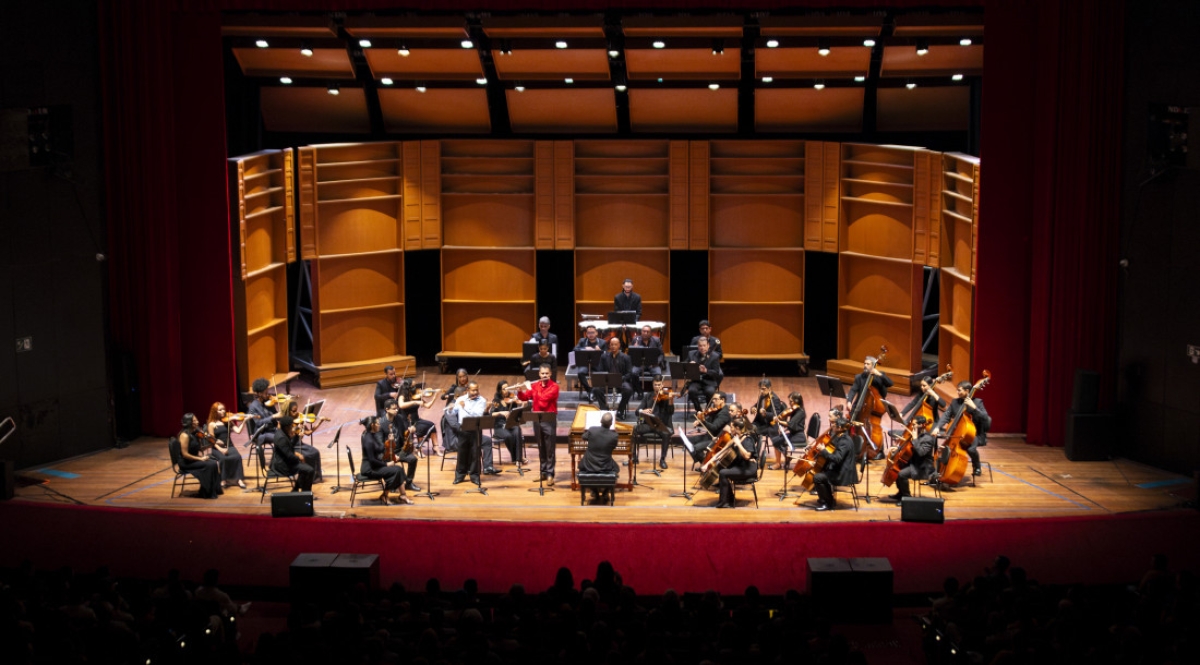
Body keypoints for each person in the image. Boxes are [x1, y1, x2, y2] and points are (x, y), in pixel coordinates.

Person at [932, 380, 991, 478]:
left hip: (974, 434)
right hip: (957, 433)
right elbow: (946, 415)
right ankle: (939, 472)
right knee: (943, 450)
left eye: (959, 390)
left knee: (971, 449)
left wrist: (974, 407)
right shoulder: (955, 402)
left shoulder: (977, 402)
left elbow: (985, 418)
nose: (957, 392)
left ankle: (977, 466)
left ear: (967, 391)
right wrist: (938, 427)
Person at [517, 364, 559, 485]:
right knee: (541, 448)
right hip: (537, 419)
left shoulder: (554, 387)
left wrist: (532, 390)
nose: (544, 375)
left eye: (546, 373)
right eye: (542, 374)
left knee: (550, 448)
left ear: (550, 374)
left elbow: (543, 402)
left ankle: (550, 474)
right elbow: (525, 397)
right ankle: (543, 472)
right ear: (539, 374)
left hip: (548, 419)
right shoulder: (535, 386)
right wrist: (520, 390)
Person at [846, 356, 893, 459]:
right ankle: (853, 447)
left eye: (868, 364)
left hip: (872, 408)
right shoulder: (859, 377)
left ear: (873, 365)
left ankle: (877, 449)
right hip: (860, 406)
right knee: (850, 422)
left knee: (872, 427)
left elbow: (890, 383)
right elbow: (853, 390)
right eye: (864, 363)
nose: (865, 366)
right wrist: (849, 401)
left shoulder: (879, 376)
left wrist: (879, 374)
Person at [883, 414, 936, 501]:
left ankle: (906, 497)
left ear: (922, 425)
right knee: (897, 469)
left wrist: (915, 439)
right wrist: (898, 448)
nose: (912, 426)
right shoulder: (915, 434)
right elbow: (908, 447)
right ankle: (901, 493)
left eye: (914, 424)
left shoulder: (928, 439)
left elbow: (921, 453)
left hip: (923, 468)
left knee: (901, 474)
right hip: (914, 463)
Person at [359, 415, 410, 505]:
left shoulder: (370, 434)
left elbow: (379, 448)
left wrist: (388, 441)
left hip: (375, 466)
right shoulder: (368, 440)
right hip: (369, 469)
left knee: (398, 469)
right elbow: (372, 460)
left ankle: (400, 495)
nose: (379, 425)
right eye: (378, 423)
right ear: (372, 425)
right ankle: (385, 495)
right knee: (397, 471)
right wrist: (386, 465)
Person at [712, 417, 760, 509]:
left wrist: (738, 444)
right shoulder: (739, 437)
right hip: (742, 466)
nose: (730, 429)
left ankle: (724, 503)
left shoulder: (748, 439)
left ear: (737, 428)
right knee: (722, 469)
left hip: (748, 469)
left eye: (732, 427)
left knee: (723, 473)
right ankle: (729, 498)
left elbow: (747, 456)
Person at [811, 417, 857, 511]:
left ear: (839, 428)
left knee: (817, 477)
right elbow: (833, 452)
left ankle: (828, 503)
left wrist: (823, 451)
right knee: (821, 471)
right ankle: (827, 499)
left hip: (843, 474)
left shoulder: (844, 442)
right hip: (840, 469)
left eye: (834, 426)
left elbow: (837, 459)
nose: (832, 427)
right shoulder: (840, 437)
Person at [453, 381, 495, 485]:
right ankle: (460, 475)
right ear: (467, 390)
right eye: (473, 390)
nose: (475, 392)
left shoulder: (481, 400)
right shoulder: (460, 399)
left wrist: (464, 407)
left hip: (475, 429)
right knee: (462, 453)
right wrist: (450, 409)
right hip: (463, 428)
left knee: (475, 453)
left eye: (477, 389)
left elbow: (477, 414)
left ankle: (474, 476)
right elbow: (454, 412)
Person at [676, 391, 731, 465]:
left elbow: (714, 427)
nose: (713, 401)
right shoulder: (717, 410)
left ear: (722, 400)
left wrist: (703, 421)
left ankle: (706, 464)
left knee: (695, 448)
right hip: (708, 436)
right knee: (687, 441)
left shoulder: (724, 413)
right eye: (713, 399)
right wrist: (699, 423)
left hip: (716, 439)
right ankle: (704, 461)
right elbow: (708, 421)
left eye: (715, 399)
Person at [634, 374, 674, 469]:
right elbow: (637, 411)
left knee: (666, 434)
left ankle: (662, 459)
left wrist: (670, 401)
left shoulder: (666, 395)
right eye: (655, 385)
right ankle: (634, 456)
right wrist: (642, 411)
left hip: (661, 425)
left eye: (659, 384)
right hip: (649, 424)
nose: (657, 387)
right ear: (652, 385)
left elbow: (671, 412)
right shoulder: (648, 396)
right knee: (634, 429)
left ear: (662, 384)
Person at [178, 413, 222, 499]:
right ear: (189, 423)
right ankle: (206, 492)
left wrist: (211, 444)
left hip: (193, 460)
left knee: (213, 463)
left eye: (196, 420)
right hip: (186, 462)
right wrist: (200, 459)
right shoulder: (185, 435)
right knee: (209, 465)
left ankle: (213, 490)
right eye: (194, 420)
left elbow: (199, 448)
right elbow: (185, 454)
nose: (197, 422)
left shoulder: (194, 433)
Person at [579, 411, 619, 503]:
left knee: (584, 468)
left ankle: (595, 492)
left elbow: (583, 437)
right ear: (611, 423)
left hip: (589, 464)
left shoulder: (592, 430)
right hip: (605, 465)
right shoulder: (614, 436)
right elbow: (613, 447)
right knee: (616, 470)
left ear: (600, 421)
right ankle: (605, 492)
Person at [205, 402, 247, 490]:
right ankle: (223, 479)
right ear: (215, 412)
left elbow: (238, 431)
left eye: (223, 409)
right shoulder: (212, 424)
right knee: (224, 459)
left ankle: (239, 479)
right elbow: (212, 441)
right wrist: (221, 449)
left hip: (230, 445)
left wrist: (244, 421)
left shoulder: (228, 421)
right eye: (220, 410)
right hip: (217, 448)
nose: (223, 411)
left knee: (237, 457)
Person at [382, 399, 421, 492]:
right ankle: (392, 484)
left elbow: (404, 432)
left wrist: (410, 429)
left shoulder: (399, 418)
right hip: (387, 452)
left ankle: (408, 483)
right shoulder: (381, 423)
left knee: (413, 459)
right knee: (392, 464)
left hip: (399, 449)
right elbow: (380, 444)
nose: (396, 410)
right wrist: (392, 455)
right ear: (387, 409)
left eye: (397, 408)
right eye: (394, 409)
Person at [282, 400, 325, 483]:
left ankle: (315, 476)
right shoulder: (285, 423)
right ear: (288, 411)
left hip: (300, 444)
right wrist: (296, 433)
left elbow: (308, 433)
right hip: (292, 446)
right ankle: (306, 477)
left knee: (315, 452)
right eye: (294, 411)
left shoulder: (299, 420)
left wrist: (319, 422)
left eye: (296, 410)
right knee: (308, 455)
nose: (296, 413)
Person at [749, 379, 787, 470]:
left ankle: (778, 463)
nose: (761, 391)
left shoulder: (775, 399)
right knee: (749, 431)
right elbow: (756, 405)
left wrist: (766, 413)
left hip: (770, 425)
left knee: (775, 439)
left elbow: (776, 415)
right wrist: (753, 408)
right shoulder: (762, 396)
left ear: (769, 388)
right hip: (761, 422)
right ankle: (752, 456)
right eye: (760, 389)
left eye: (764, 389)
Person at [397, 378, 440, 454]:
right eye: (413, 386)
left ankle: (436, 447)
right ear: (408, 387)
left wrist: (435, 397)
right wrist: (415, 402)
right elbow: (401, 405)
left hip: (416, 420)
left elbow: (427, 406)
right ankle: (419, 449)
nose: (415, 387)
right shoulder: (402, 396)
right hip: (406, 421)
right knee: (420, 428)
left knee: (432, 425)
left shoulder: (416, 396)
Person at [593, 337, 634, 417]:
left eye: (615, 344)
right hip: (607, 381)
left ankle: (620, 410)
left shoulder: (626, 357)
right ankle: (604, 409)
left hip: (621, 381)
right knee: (596, 389)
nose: (613, 346)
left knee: (628, 390)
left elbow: (629, 373)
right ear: (609, 346)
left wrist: (621, 378)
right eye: (611, 344)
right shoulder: (604, 357)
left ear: (619, 345)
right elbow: (600, 370)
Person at [271, 416, 315, 493]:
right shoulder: (281, 438)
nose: (293, 427)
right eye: (292, 425)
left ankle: (295, 490)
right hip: (282, 465)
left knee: (305, 468)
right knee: (309, 470)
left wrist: (297, 436)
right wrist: (299, 458)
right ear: (287, 427)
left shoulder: (283, 433)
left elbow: (290, 447)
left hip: (286, 461)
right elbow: (289, 455)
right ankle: (306, 493)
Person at [490, 380, 526, 467]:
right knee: (508, 436)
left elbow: (518, 413)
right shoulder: (496, 401)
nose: (506, 391)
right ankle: (517, 457)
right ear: (499, 390)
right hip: (499, 427)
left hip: (510, 424)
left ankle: (518, 459)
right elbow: (491, 414)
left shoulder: (512, 397)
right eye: (504, 389)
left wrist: (521, 404)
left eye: (507, 388)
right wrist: (500, 413)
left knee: (517, 430)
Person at [685, 336, 722, 413]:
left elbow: (716, 373)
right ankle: (698, 410)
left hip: (709, 381)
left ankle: (707, 410)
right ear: (698, 346)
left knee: (710, 392)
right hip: (696, 380)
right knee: (691, 391)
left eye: (704, 345)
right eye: (700, 346)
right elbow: (684, 366)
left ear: (708, 346)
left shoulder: (715, 356)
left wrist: (706, 370)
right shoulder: (691, 354)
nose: (702, 348)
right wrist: (689, 365)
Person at [439, 368, 471, 454]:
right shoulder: (454, 388)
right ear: (457, 377)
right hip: (452, 413)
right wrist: (447, 396)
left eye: (464, 376)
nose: (462, 378)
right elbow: (442, 397)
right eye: (460, 377)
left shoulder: (470, 387)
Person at [777, 392, 809, 468]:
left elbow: (790, 424)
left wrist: (779, 421)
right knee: (777, 440)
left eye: (791, 401)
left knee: (779, 441)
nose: (789, 403)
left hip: (799, 436)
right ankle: (787, 457)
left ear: (797, 401)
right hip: (794, 433)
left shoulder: (800, 412)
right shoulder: (795, 410)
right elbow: (791, 425)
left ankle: (787, 458)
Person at [573, 324, 605, 398]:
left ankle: (596, 391)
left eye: (592, 332)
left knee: (600, 374)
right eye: (589, 333)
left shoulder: (602, 342)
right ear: (586, 333)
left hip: (597, 363)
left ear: (596, 333)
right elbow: (575, 350)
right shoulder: (582, 341)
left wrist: (600, 351)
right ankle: (589, 390)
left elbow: (606, 355)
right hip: (585, 363)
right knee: (580, 373)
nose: (590, 335)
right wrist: (584, 349)